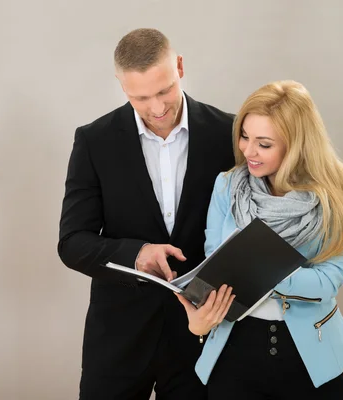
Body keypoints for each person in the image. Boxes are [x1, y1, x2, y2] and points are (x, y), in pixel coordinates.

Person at [58, 28, 236, 400]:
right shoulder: (94, 141)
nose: (157, 108)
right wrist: (137, 254)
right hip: (119, 337)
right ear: (121, 86)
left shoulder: (231, 134)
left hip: (203, 335)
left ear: (180, 67)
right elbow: (72, 242)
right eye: (141, 97)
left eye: (164, 90)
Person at [175, 80, 343, 399]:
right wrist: (200, 316)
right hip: (233, 354)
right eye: (244, 136)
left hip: (311, 355)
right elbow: (215, 265)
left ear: (296, 146)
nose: (247, 151)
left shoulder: (336, 191)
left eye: (263, 144)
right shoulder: (227, 187)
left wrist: (263, 267)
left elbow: (328, 282)